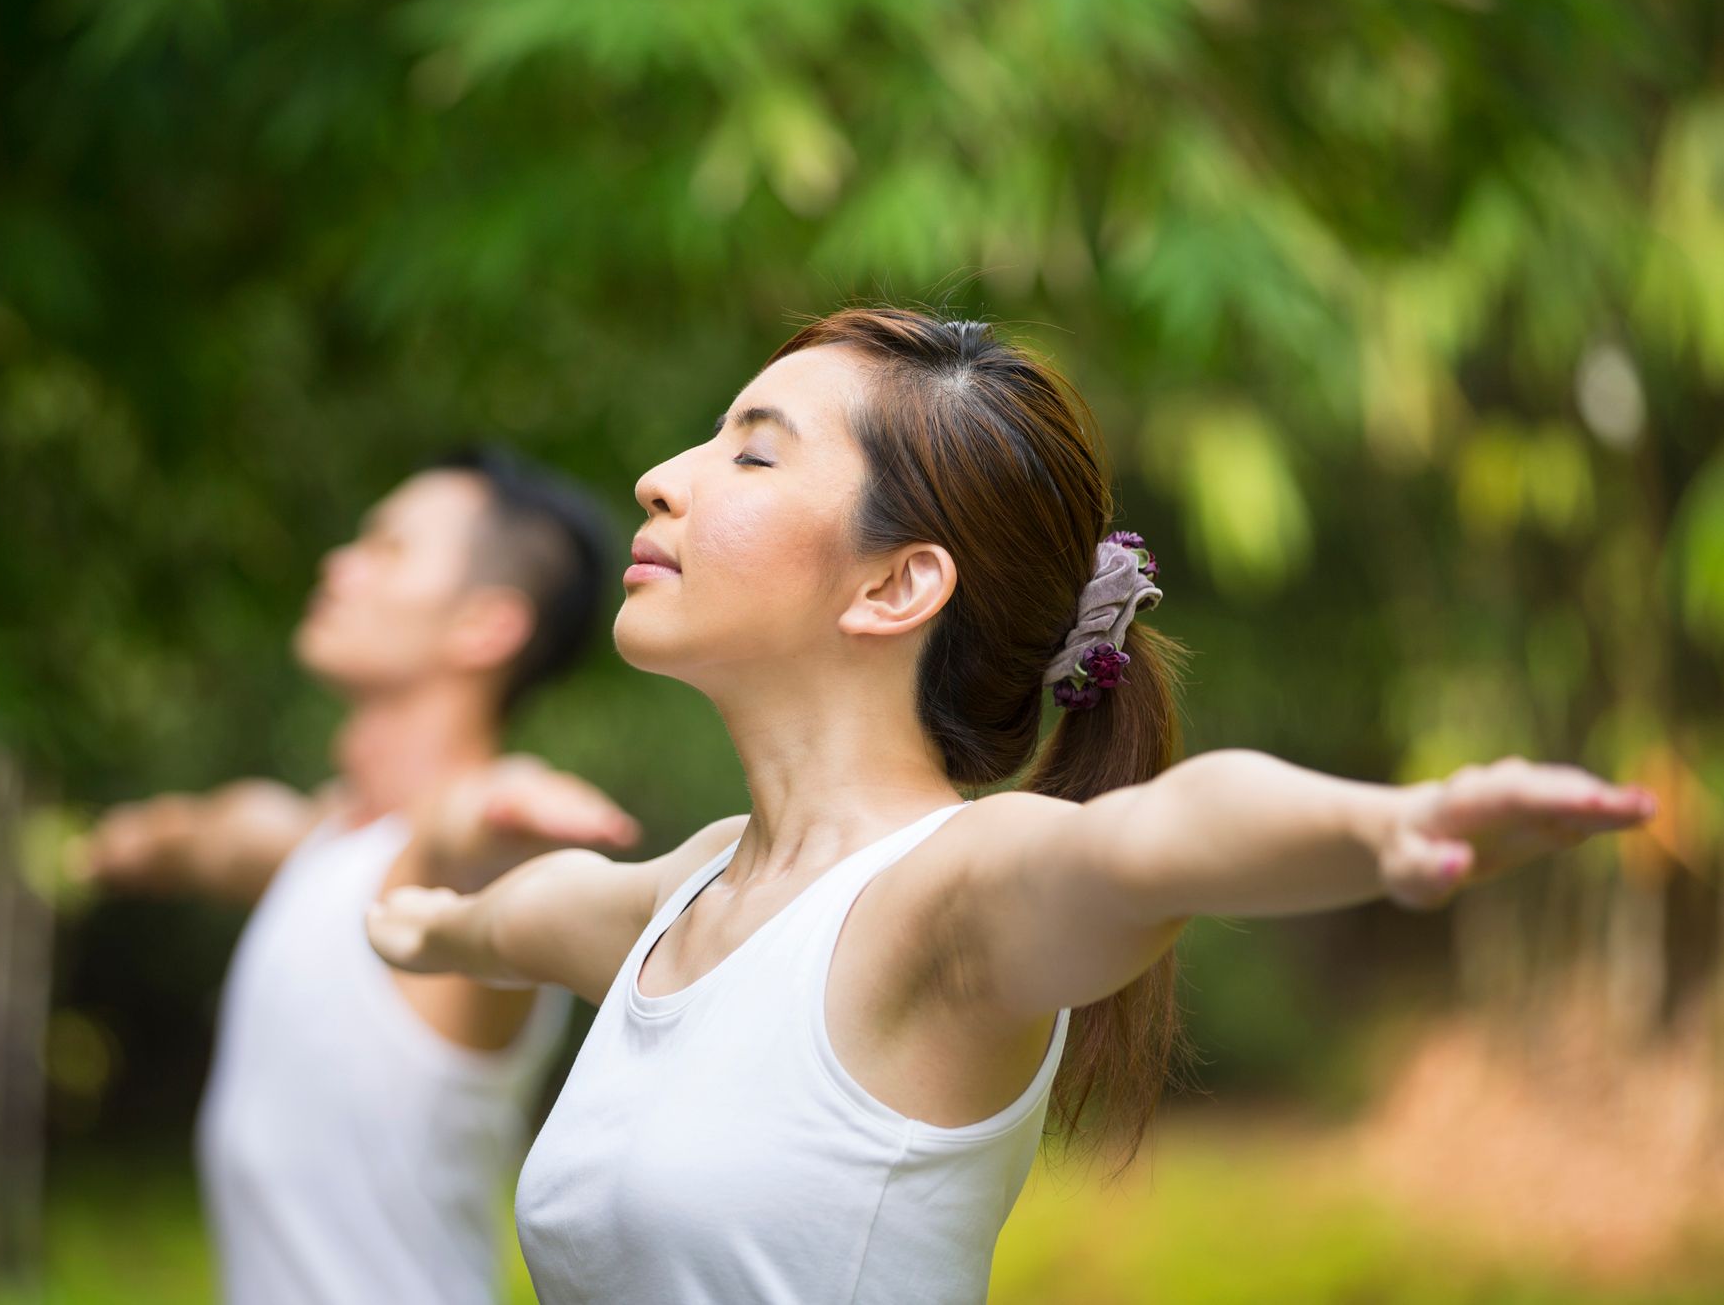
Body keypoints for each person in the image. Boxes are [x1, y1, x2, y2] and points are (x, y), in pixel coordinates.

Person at [363, 308, 1659, 1304]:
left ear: (894, 586)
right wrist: (427, 924)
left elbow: (1156, 840)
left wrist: (1385, 822)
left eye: (750, 453)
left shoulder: (950, 890)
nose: (661, 475)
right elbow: (543, 914)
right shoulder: (698, 888)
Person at [78, 444, 641, 1305]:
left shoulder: (453, 874)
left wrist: (508, 811)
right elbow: (217, 834)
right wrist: (129, 842)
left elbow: (464, 838)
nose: (338, 565)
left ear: (484, 625)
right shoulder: (323, 845)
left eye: (387, 548)